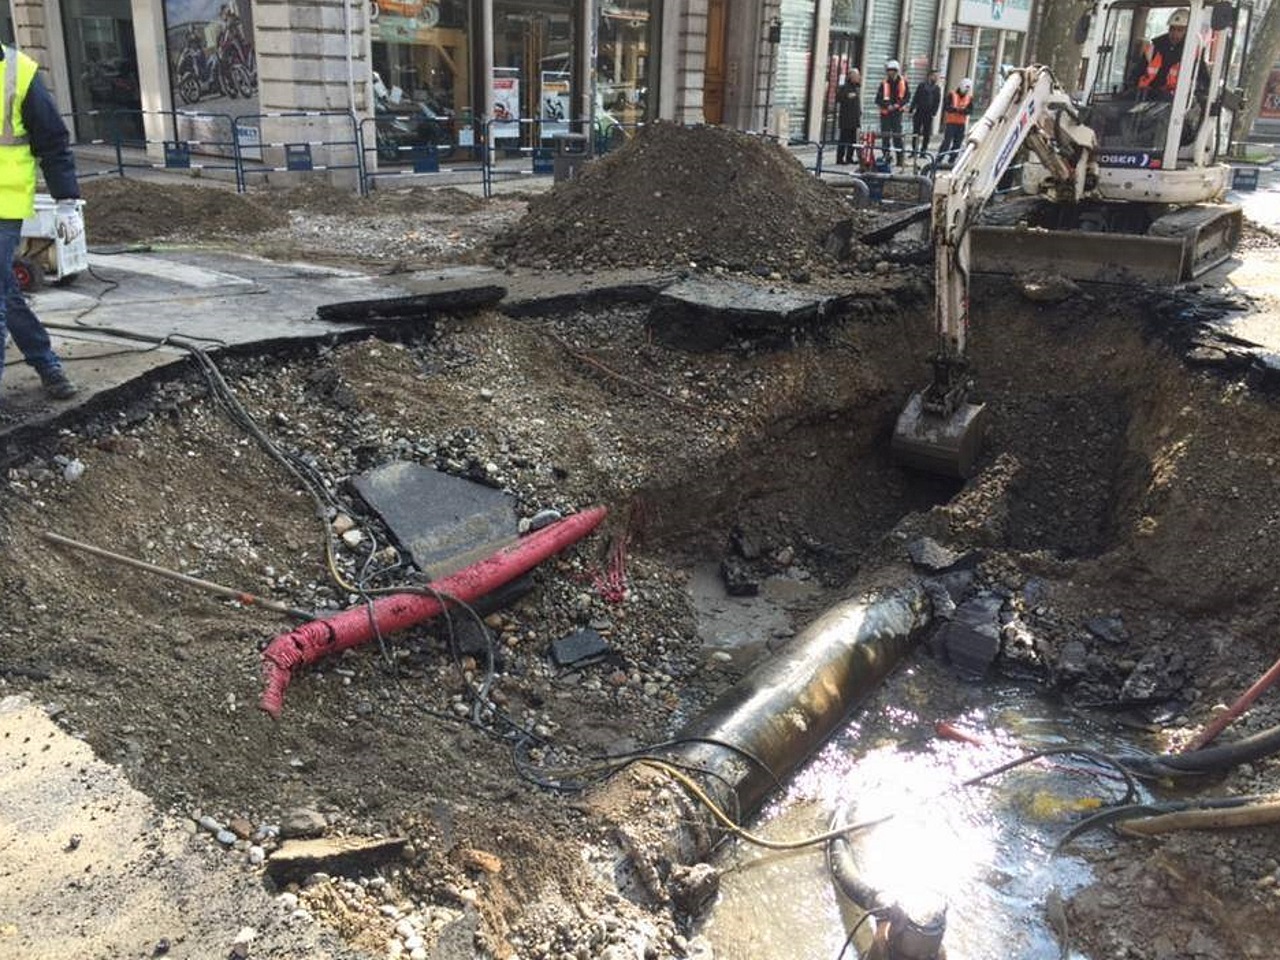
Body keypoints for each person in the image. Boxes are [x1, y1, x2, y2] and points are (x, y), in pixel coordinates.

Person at [0, 44, 81, 401]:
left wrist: (66, 202)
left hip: (4, 204)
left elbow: (52, 140)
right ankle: (46, 363)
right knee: (5, 289)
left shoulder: (21, 72)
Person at [1135, 8, 1204, 99]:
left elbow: (1203, 81)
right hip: (1147, 95)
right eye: (1172, 29)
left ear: (1188, 31)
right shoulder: (1155, 47)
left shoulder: (1192, 52)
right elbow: (1137, 72)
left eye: (1180, 30)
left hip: (1176, 101)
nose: (1175, 33)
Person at [875, 59, 909, 168]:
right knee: (885, 137)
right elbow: (878, 99)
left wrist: (897, 105)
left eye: (892, 70)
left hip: (896, 114)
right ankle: (886, 158)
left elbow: (906, 97)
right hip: (885, 114)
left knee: (897, 137)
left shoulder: (903, 82)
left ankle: (900, 159)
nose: (890, 73)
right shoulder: (884, 83)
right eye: (888, 70)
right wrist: (887, 105)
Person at [937, 77, 974, 165]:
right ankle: (939, 159)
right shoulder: (952, 95)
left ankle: (952, 160)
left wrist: (962, 111)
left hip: (961, 124)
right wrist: (955, 109)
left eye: (967, 90)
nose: (965, 92)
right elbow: (946, 107)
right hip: (951, 123)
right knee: (946, 143)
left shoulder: (969, 98)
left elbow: (970, 111)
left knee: (957, 143)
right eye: (965, 89)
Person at [910, 67, 942, 160]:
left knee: (926, 133)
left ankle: (923, 151)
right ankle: (914, 151)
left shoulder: (937, 88)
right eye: (934, 76)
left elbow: (937, 101)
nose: (936, 78)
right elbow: (916, 97)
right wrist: (912, 108)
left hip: (928, 113)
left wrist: (934, 112)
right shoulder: (922, 86)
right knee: (916, 132)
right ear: (929, 76)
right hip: (919, 111)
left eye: (937, 76)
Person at [834, 68, 862, 165]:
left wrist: (859, 112)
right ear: (850, 77)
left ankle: (849, 157)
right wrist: (846, 96)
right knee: (843, 139)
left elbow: (857, 102)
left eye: (858, 76)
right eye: (856, 76)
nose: (858, 78)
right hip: (846, 118)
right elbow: (838, 98)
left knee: (852, 140)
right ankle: (840, 158)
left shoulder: (857, 87)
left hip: (854, 118)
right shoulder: (844, 87)